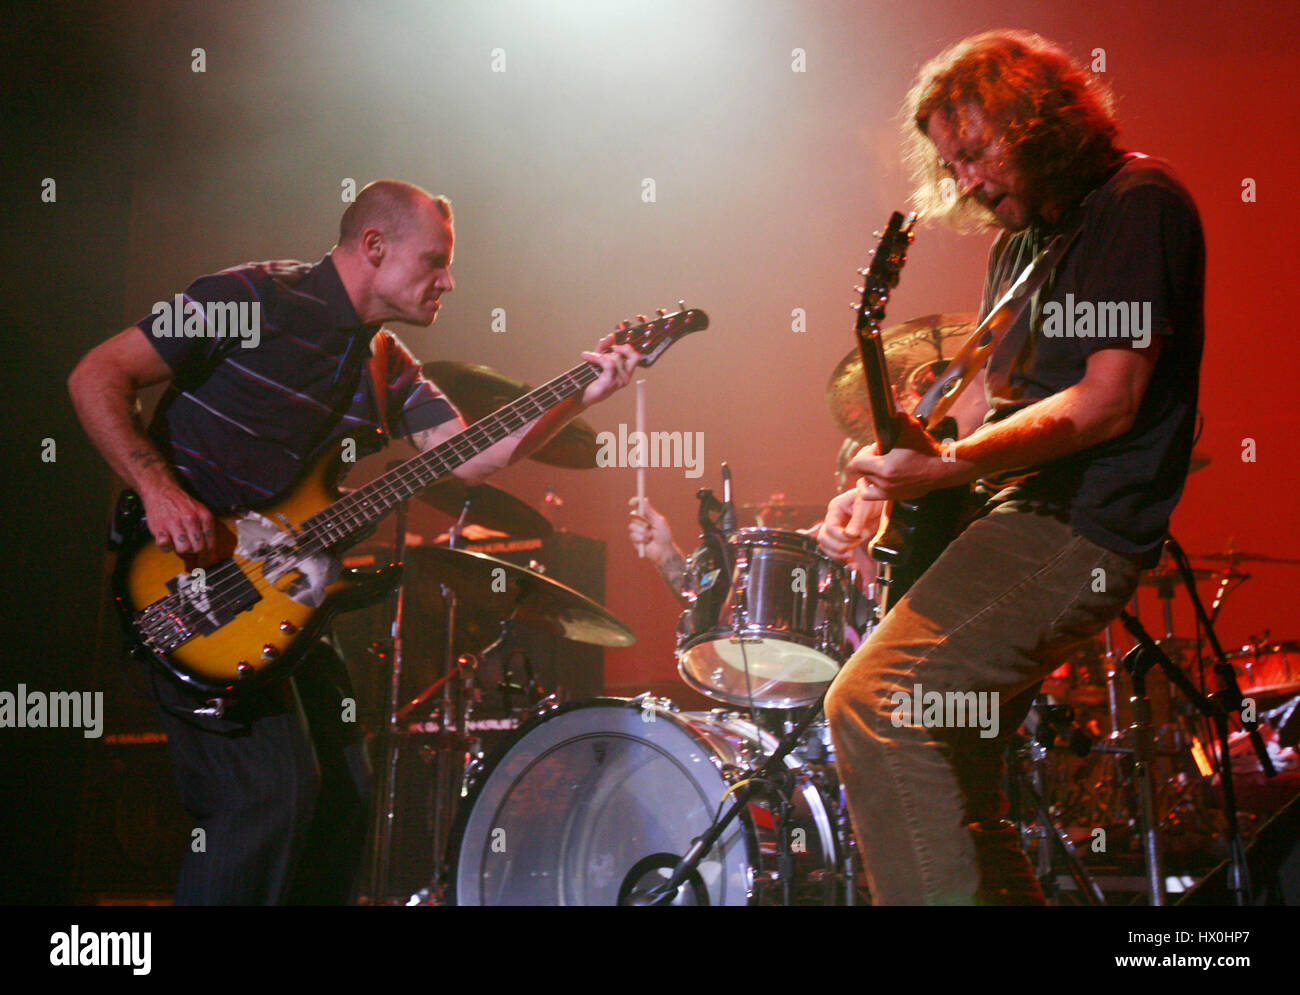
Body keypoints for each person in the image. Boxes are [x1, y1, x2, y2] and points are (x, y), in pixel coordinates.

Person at [67, 179, 638, 904]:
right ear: (373, 246)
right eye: (434, 261)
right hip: (188, 587)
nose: (449, 282)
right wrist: (159, 491)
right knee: (266, 797)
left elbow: (472, 456)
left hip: (282, 593)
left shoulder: (385, 362)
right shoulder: (249, 297)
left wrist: (581, 391)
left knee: (343, 799)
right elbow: (97, 374)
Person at [818, 30, 1204, 905]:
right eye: (950, 164)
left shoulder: (1135, 204)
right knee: (959, 779)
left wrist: (949, 464)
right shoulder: (1018, 247)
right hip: (1014, 517)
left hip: (1077, 525)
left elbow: (1108, 398)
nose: (965, 182)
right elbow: (997, 407)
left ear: (1039, 121)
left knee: (877, 704)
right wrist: (881, 487)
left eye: (976, 152)